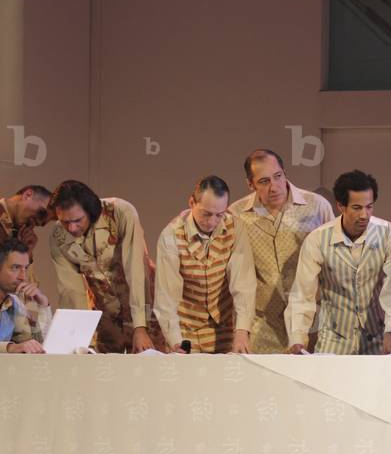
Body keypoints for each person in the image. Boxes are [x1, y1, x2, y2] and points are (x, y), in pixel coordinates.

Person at [286, 170, 391, 355]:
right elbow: (303, 294)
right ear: (341, 206)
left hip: (377, 340)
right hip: (333, 343)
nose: (364, 215)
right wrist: (297, 338)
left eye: (369, 207)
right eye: (357, 208)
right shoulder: (318, 239)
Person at [230, 149, 334, 352]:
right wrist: (241, 330)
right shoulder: (237, 214)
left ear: (285, 173)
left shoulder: (316, 206)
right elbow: (236, 276)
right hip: (263, 325)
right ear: (250, 184)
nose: (274, 187)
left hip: (311, 322)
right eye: (264, 181)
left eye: (278, 176)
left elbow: (334, 263)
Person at [48, 180, 164, 353]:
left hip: (147, 311)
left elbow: (136, 270)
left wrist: (140, 327)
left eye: (77, 220)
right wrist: (78, 339)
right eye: (65, 222)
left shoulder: (119, 213)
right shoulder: (59, 236)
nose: (71, 228)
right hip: (106, 318)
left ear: (90, 210)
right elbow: (71, 291)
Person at [154, 176, 257, 353]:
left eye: (219, 215)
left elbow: (243, 284)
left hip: (224, 330)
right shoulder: (171, 236)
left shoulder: (235, 229)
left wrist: (241, 331)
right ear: (192, 202)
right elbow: (166, 296)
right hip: (186, 331)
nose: (212, 222)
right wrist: (175, 341)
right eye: (206, 214)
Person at [0, 239, 51, 353]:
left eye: (25, 268)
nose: (23, 277)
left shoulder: (14, 302)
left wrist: (43, 305)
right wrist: (10, 347)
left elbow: (38, 344)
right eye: (15, 268)